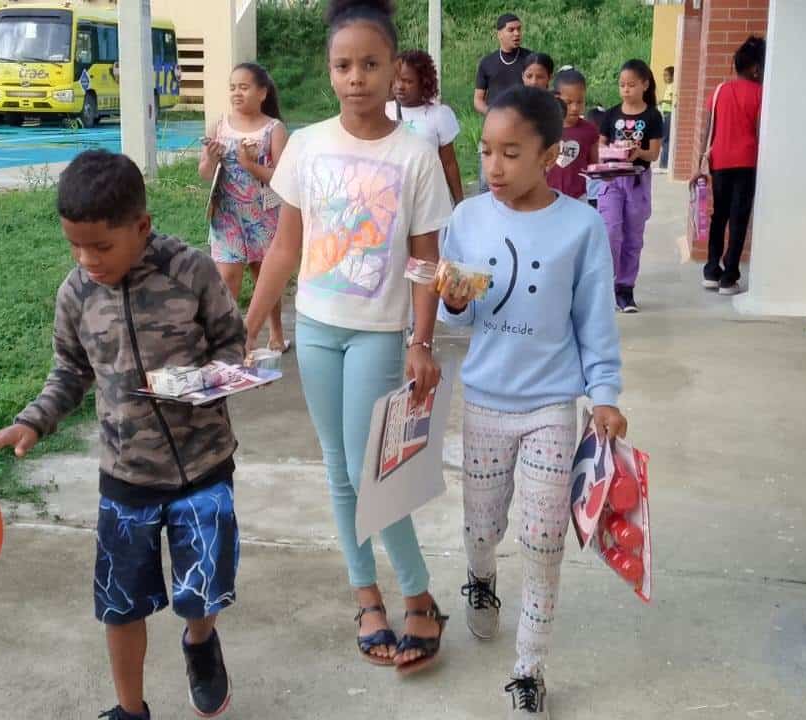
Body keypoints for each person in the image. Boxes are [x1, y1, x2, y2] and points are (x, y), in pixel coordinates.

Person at [0, 150, 246, 720]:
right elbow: (69, 371)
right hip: (126, 476)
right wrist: (32, 420)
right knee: (120, 605)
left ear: (141, 227)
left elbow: (230, 343)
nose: (86, 259)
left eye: (100, 246)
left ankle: (199, 641)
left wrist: (206, 382)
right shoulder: (76, 293)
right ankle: (129, 708)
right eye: (75, 245)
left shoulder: (190, 271)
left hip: (203, 466)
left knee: (202, 589)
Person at [243, 0, 454, 676]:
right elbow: (284, 247)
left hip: (380, 335)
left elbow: (425, 260)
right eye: (343, 65)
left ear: (395, 68)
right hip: (317, 330)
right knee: (337, 469)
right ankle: (367, 596)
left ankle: (419, 593)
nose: (356, 77)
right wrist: (250, 322)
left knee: (372, 467)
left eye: (370, 63)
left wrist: (423, 341)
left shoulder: (415, 155)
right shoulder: (306, 146)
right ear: (328, 71)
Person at [438, 85, 628, 720]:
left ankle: (528, 669)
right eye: (486, 151)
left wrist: (603, 393)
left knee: (545, 541)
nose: (493, 167)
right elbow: (454, 312)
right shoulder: (466, 220)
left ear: (550, 154)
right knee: (482, 526)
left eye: (510, 153)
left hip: (552, 402)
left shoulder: (582, 226)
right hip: (486, 400)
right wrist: (454, 301)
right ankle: (481, 575)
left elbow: (594, 319)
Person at [200, 62, 291, 350]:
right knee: (227, 277)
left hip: (263, 214)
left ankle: (275, 333)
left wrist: (250, 165)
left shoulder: (274, 129)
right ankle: (230, 339)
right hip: (226, 215)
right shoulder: (219, 125)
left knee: (264, 276)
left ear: (262, 92)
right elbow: (204, 172)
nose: (236, 93)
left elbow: (284, 178)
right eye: (232, 88)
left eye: (244, 87)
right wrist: (212, 158)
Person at [591, 59, 664, 313]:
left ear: (645, 85)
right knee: (611, 231)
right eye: (622, 85)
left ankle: (625, 289)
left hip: (637, 181)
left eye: (631, 85)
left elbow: (654, 154)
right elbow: (598, 147)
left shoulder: (652, 115)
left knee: (633, 237)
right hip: (612, 180)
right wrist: (612, 152)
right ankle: (604, 285)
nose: (626, 90)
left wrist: (637, 153)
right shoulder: (611, 114)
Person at [699, 36, 765, 295]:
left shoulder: (719, 91)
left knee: (719, 215)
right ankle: (729, 277)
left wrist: (700, 163)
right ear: (756, 69)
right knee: (738, 219)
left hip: (720, 161)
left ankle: (711, 270)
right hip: (747, 163)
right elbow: (760, 132)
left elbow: (708, 129)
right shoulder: (761, 94)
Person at [389, 49, 464, 205]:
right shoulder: (382, 112)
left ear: (424, 82)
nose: (399, 86)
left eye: (408, 81)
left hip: (429, 199)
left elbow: (449, 163)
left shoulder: (439, 115)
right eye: (396, 80)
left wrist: (459, 202)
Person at [544, 68, 598, 201]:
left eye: (580, 102)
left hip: (578, 197)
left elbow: (595, 164)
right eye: (568, 102)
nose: (575, 108)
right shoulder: (544, 127)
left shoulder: (590, 130)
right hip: (546, 196)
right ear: (557, 99)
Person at [474, 13, 532, 116]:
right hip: (495, 122)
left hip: (524, 119)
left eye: (519, 29)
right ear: (499, 34)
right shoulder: (487, 62)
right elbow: (478, 100)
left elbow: (540, 92)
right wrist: (492, 113)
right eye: (511, 30)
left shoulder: (530, 59)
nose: (517, 33)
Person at [658, 65, 675, 170]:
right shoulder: (669, 86)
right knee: (664, 139)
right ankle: (663, 164)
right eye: (664, 75)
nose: (664, 78)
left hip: (669, 113)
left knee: (665, 139)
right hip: (665, 113)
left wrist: (663, 101)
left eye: (667, 75)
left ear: (673, 76)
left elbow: (673, 101)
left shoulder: (673, 86)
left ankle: (664, 165)